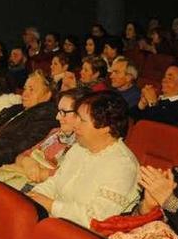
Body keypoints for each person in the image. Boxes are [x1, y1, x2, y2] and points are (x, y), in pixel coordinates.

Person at [28, 91, 140, 228]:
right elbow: (55, 182)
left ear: (105, 128)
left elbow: (96, 220)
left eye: (82, 120)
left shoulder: (123, 166)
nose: (75, 125)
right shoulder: (79, 148)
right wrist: (34, 196)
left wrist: (51, 205)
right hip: (53, 224)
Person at [0, 89, 86, 191]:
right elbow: (22, 155)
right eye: (59, 111)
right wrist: (28, 162)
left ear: (81, 115)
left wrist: (35, 170)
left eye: (63, 112)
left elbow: (63, 178)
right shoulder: (55, 132)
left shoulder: (83, 146)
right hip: (23, 176)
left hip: (39, 190)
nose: (58, 117)